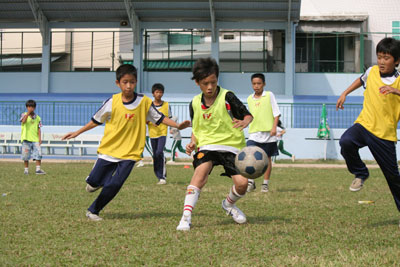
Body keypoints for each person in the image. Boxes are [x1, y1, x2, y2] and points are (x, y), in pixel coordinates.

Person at [62, 64, 189, 221]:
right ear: (118, 83)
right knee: (92, 183)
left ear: (136, 82)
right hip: (110, 149)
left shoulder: (144, 102)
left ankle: (94, 210)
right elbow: (96, 120)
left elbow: (160, 118)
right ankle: (95, 181)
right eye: (125, 82)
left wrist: (177, 125)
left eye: (132, 82)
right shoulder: (112, 101)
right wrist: (77, 132)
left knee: (116, 183)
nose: (129, 86)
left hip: (131, 152)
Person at [176, 57, 253, 231]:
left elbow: (247, 115)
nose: (210, 87)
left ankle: (228, 204)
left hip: (232, 147)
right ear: (197, 83)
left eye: (213, 82)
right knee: (200, 174)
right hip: (208, 146)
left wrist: (245, 122)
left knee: (242, 185)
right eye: (205, 83)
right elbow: (196, 128)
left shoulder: (228, 97)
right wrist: (192, 143)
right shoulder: (195, 103)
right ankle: (185, 218)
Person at [336, 37, 400, 225]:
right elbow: (360, 79)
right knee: (346, 141)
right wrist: (345, 93)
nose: (381, 61)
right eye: (379, 57)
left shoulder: (398, 80)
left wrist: (395, 91)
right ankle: (361, 173)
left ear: (396, 60)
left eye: (386, 58)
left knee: (393, 177)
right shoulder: (371, 71)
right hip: (364, 125)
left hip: (384, 134)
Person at [246, 73, 281, 193]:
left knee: (267, 160)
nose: (256, 86)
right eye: (254, 84)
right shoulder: (249, 98)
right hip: (254, 133)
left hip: (269, 134)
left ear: (264, 84)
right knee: (250, 157)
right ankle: (251, 182)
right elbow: (250, 116)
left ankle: (265, 184)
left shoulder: (269, 95)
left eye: (259, 83)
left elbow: (276, 113)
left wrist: (274, 128)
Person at [147, 83, 172, 184]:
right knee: (155, 155)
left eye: (161, 92)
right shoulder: (148, 105)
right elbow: (144, 119)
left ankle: (162, 177)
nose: (159, 94)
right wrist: (151, 122)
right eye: (157, 92)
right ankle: (158, 174)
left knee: (159, 152)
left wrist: (172, 128)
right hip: (152, 133)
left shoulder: (166, 105)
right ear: (153, 93)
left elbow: (169, 118)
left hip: (162, 132)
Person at [20, 99, 46, 175]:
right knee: (26, 156)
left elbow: (39, 129)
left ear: (34, 108)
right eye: (28, 107)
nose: (30, 108)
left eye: (32, 107)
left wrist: (40, 138)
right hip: (26, 139)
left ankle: (38, 170)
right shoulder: (23, 115)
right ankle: (26, 170)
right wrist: (27, 114)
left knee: (38, 154)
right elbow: (23, 121)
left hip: (35, 139)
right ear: (26, 107)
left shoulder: (38, 118)